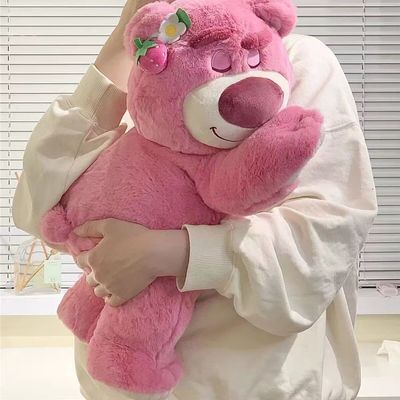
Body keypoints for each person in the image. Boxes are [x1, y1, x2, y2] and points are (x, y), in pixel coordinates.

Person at [12, 0, 378, 399]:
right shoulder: (146, 62)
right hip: (113, 387)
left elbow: (324, 237)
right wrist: (124, 38)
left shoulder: (283, 58)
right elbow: (38, 208)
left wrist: (173, 252)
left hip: (252, 384)